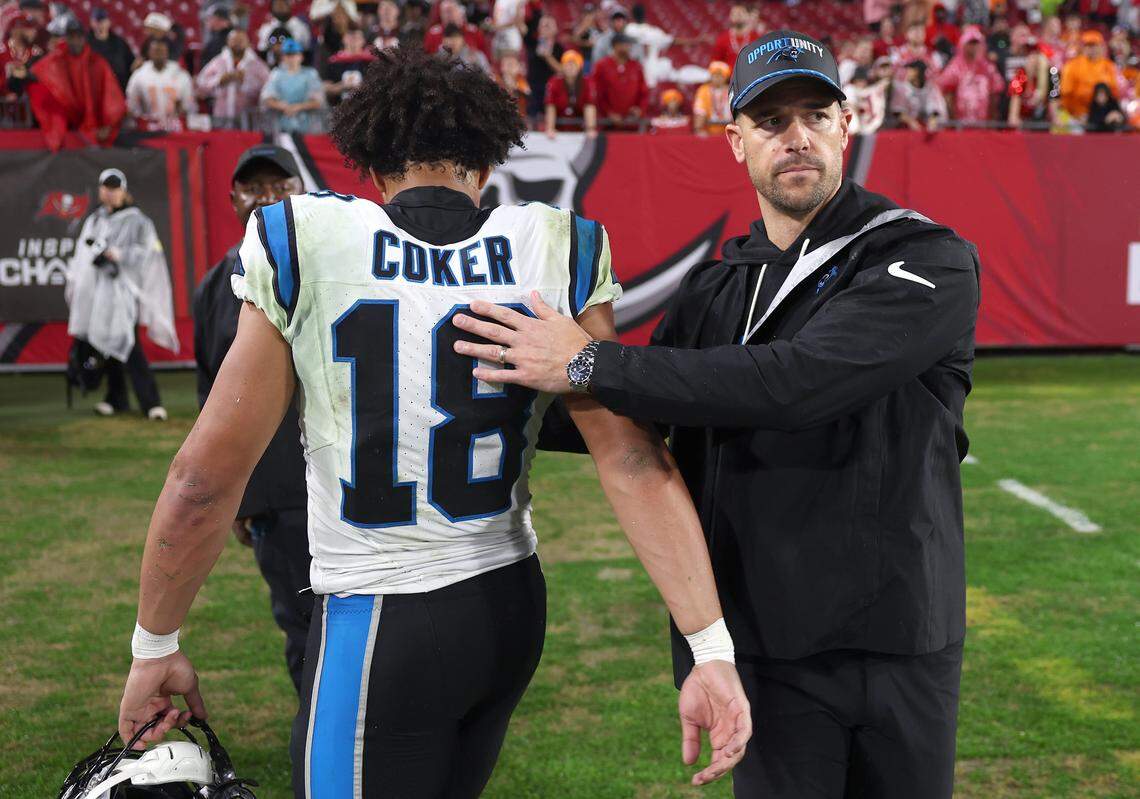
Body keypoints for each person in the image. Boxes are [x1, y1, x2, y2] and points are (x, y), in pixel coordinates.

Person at [116, 47, 752, 797]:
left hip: (379, 615)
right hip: (510, 602)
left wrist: (155, 642)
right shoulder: (555, 244)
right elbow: (635, 461)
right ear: (485, 168)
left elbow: (203, 477)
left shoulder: (305, 237)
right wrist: (711, 647)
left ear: (375, 171)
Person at [451, 28, 981, 799]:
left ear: (848, 123)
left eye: (813, 114)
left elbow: (797, 381)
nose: (795, 137)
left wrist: (588, 360)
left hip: (901, 644)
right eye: (771, 121)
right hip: (764, 648)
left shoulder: (920, 257)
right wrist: (491, 383)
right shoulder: (714, 288)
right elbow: (638, 416)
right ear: (735, 142)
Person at [192, 145, 311, 694]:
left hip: (354, 479)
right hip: (278, 489)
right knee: (303, 624)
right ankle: (325, 751)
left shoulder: (334, 267)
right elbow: (211, 398)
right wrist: (233, 494)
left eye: (278, 185)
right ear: (233, 199)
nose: (265, 197)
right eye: (252, 187)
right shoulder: (215, 287)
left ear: (300, 190)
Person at [68, 168, 178, 420]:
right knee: (107, 344)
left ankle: (151, 402)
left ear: (123, 189)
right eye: (106, 187)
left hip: (123, 290)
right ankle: (116, 399)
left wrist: (119, 254)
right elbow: (83, 254)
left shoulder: (138, 220)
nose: (110, 192)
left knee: (128, 343)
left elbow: (149, 253)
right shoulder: (95, 219)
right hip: (99, 291)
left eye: (115, 187)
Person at [22, 16, 124, 149]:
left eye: (78, 37)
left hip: (95, 125)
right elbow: (41, 74)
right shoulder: (57, 60)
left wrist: (109, 125)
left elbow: (111, 97)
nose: (75, 41)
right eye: (71, 36)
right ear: (67, 38)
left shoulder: (97, 63)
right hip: (68, 124)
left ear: (84, 38)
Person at [196, 29, 269, 127]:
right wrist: (220, 80)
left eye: (241, 40)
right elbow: (200, 83)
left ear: (248, 43)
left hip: (247, 118)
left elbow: (267, 90)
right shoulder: (218, 62)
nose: (237, 44)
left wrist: (246, 82)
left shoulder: (258, 65)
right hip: (221, 115)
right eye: (234, 40)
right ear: (228, 42)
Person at [937, 24, 1004, 123]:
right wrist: (952, 120)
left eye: (976, 43)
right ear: (963, 44)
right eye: (970, 43)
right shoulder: (956, 66)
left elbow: (995, 94)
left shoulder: (988, 67)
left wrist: (992, 120)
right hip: (960, 124)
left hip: (983, 124)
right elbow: (946, 91)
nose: (973, 47)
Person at [125, 38, 195, 129]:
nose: (159, 54)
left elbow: (188, 104)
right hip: (148, 125)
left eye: (162, 51)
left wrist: (181, 108)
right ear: (149, 53)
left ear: (167, 52)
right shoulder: (139, 74)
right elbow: (131, 103)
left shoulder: (180, 74)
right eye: (156, 51)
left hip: (174, 126)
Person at [260, 38, 324, 133]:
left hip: (307, 126)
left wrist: (298, 107)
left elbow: (318, 101)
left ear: (301, 56)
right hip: (281, 126)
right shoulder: (276, 74)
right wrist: (282, 106)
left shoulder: (310, 74)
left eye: (294, 54)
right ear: (283, 57)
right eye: (288, 55)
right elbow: (266, 98)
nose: (291, 58)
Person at [1060, 30, 1121, 122]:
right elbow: (1066, 95)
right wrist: (1075, 113)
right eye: (1088, 45)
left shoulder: (1109, 66)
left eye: (1094, 45)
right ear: (1082, 47)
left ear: (1101, 47)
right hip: (1077, 116)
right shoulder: (1072, 66)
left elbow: (1115, 94)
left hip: (1103, 116)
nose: (1091, 49)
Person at [592, 31, 649, 129]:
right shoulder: (602, 65)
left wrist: (640, 109)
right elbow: (597, 92)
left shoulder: (636, 66)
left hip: (632, 123)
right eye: (626, 45)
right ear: (616, 46)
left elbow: (643, 92)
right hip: (607, 124)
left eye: (629, 45)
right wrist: (608, 113)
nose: (629, 48)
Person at [544, 48, 597, 136]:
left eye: (574, 64)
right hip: (559, 127)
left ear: (580, 67)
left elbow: (589, 106)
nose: (570, 67)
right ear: (562, 66)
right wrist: (550, 128)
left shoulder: (587, 82)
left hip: (580, 128)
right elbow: (550, 106)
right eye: (567, 64)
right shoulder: (554, 82)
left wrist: (590, 128)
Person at [321, 25, 374, 105]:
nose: (353, 40)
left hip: (366, 108)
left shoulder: (371, 62)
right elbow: (325, 88)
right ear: (343, 39)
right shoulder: (334, 62)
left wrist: (361, 86)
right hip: (339, 110)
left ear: (363, 41)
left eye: (357, 37)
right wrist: (342, 86)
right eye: (350, 36)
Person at [891, 59, 948, 130]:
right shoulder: (902, 89)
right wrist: (910, 121)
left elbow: (936, 108)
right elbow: (897, 112)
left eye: (910, 70)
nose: (907, 72)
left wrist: (933, 119)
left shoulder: (931, 88)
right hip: (905, 131)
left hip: (926, 130)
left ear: (917, 72)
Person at [524, 13, 563, 116]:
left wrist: (548, 56)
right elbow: (521, 27)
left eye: (548, 25)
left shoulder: (560, 48)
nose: (545, 28)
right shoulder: (531, 42)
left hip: (552, 87)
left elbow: (562, 70)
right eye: (543, 25)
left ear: (556, 29)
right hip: (533, 87)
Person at [87, 7, 132, 89]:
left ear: (108, 22)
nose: (100, 25)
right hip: (95, 88)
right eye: (97, 21)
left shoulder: (119, 43)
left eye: (102, 21)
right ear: (91, 22)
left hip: (119, 87)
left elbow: (130, 63)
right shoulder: (86, 44)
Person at [693, 59, 732, 135]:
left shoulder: (731, 90)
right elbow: (700, 111)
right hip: (708, 130)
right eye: (714, 75)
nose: (717, 78)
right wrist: (698, 129)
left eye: (720, 75)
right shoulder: (703, 90)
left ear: (726, 77)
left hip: (729, 130)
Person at [198, 4, 233, 69]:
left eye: (211, 18)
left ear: (221, 20)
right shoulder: (217, 36)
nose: (207, 21)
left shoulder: (229, 38)